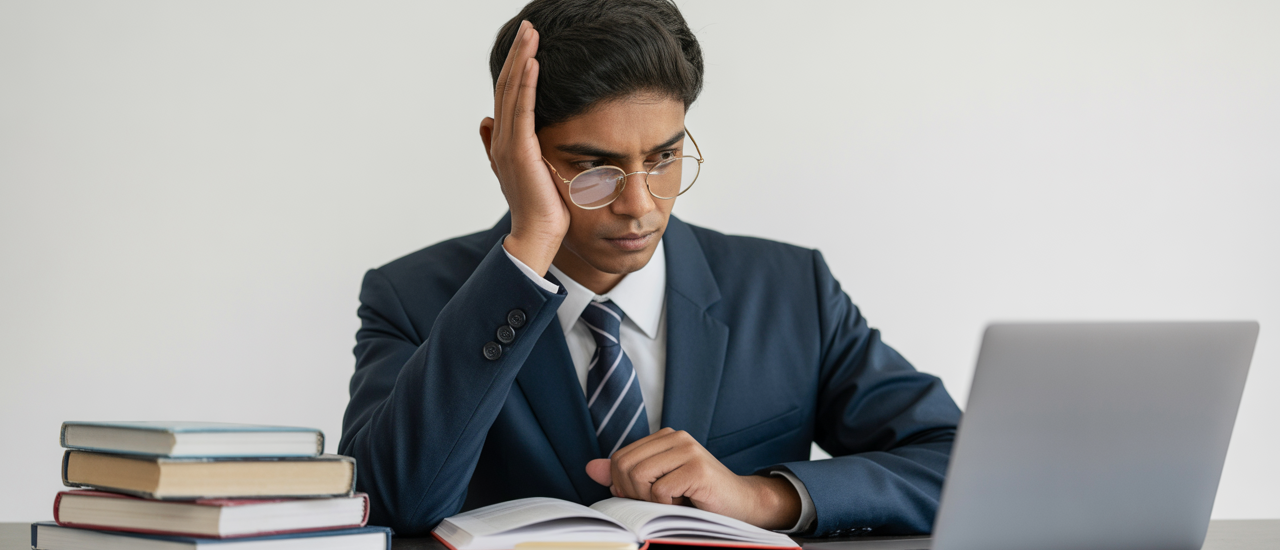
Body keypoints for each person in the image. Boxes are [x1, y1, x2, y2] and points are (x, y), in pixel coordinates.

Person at [338, 0, 961, 538]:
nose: (638, 205)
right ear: (506, 151)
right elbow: (392, 503)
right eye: (593, 168)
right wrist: (529, 243)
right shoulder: (410, 298)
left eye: (664, 157)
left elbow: (958, 462)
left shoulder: (793, 291)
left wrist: (763, 497)